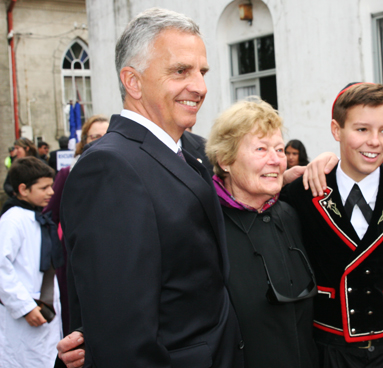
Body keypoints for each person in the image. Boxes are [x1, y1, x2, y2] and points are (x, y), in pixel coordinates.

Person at [58, 8, 243, 368]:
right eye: (180, 71)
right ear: (133, 81)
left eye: (202, 72)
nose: (200, 87)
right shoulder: (109, 168)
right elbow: (122, 338)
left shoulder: (187, 150)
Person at [281, 82, 383, 368]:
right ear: (336, 130)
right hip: (328, 346)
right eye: (362, 129)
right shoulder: (301, 195)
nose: (375, 141)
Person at [206, 98, 318, 368]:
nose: (276, 160)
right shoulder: (205, 225)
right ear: (225, 160)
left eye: (279, 149)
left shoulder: (291, 215)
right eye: (261, 148)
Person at [42, 115, 109, 336]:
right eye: (94, 136)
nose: (100, 140)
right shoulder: (67, 173)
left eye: (105, 135)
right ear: (84, 141)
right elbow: (50, 214)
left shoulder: (123, 170)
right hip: (76, 258)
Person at [0, 157, 63, 368]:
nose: (51, 192)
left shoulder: (36, 218)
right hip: (26, 315)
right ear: (23, 189)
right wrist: (25, 307)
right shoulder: (12, 220)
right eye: (44, 188)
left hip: (45, 312)